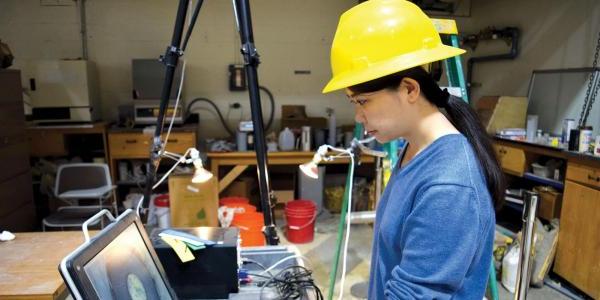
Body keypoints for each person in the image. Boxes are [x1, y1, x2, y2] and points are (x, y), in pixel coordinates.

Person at [322, 0, 505, 299]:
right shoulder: (415, 150)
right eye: (353, 103)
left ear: (409, 89)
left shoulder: (449, 185)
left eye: (362, 101)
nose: (357, 116)